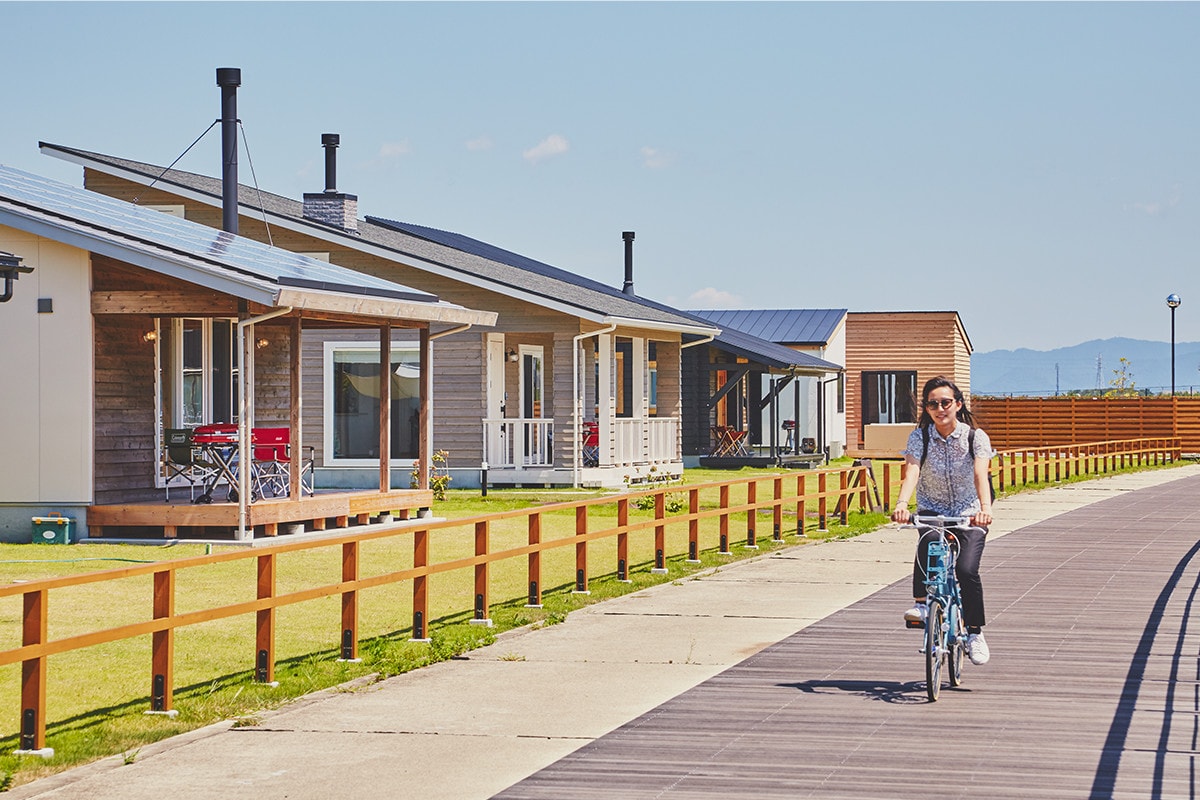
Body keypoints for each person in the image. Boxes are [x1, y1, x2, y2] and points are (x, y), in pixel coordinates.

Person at [890, 376, 994, 665]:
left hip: (968, 512)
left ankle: (974, 633)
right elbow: (911, 472)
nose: (939, 408)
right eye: (932, 404)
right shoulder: (919, 437)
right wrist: (901, 505)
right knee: (928, 538)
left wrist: (984, 509)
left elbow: (979, 474)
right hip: (932, 508)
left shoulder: (975, 437)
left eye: (945, 402)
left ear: (958, 405)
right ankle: (922, 604)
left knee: (966, 569)